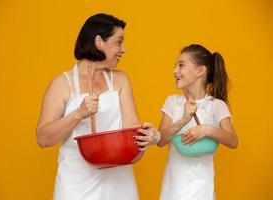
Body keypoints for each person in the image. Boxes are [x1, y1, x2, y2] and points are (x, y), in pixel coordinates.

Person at [36, 13, 160, 200]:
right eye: (119, 42)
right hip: (75, 185)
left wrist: (147, 137)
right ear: (99, 42)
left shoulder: (120, 80)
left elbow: (131, 132)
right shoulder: (62, 84)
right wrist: (78, 113)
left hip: (119, 185)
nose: (123, 49)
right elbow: (43, 138)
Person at [157, 44, 238, 200]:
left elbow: (233, 141)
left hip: (203, 186)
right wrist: (183, 120)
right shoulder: (172, 102)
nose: (175, 71)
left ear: (200, 71)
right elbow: (160, 140)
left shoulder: (215, 105)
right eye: (175, 66)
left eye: (181, 65)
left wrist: (206, 130)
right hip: (174, 184)